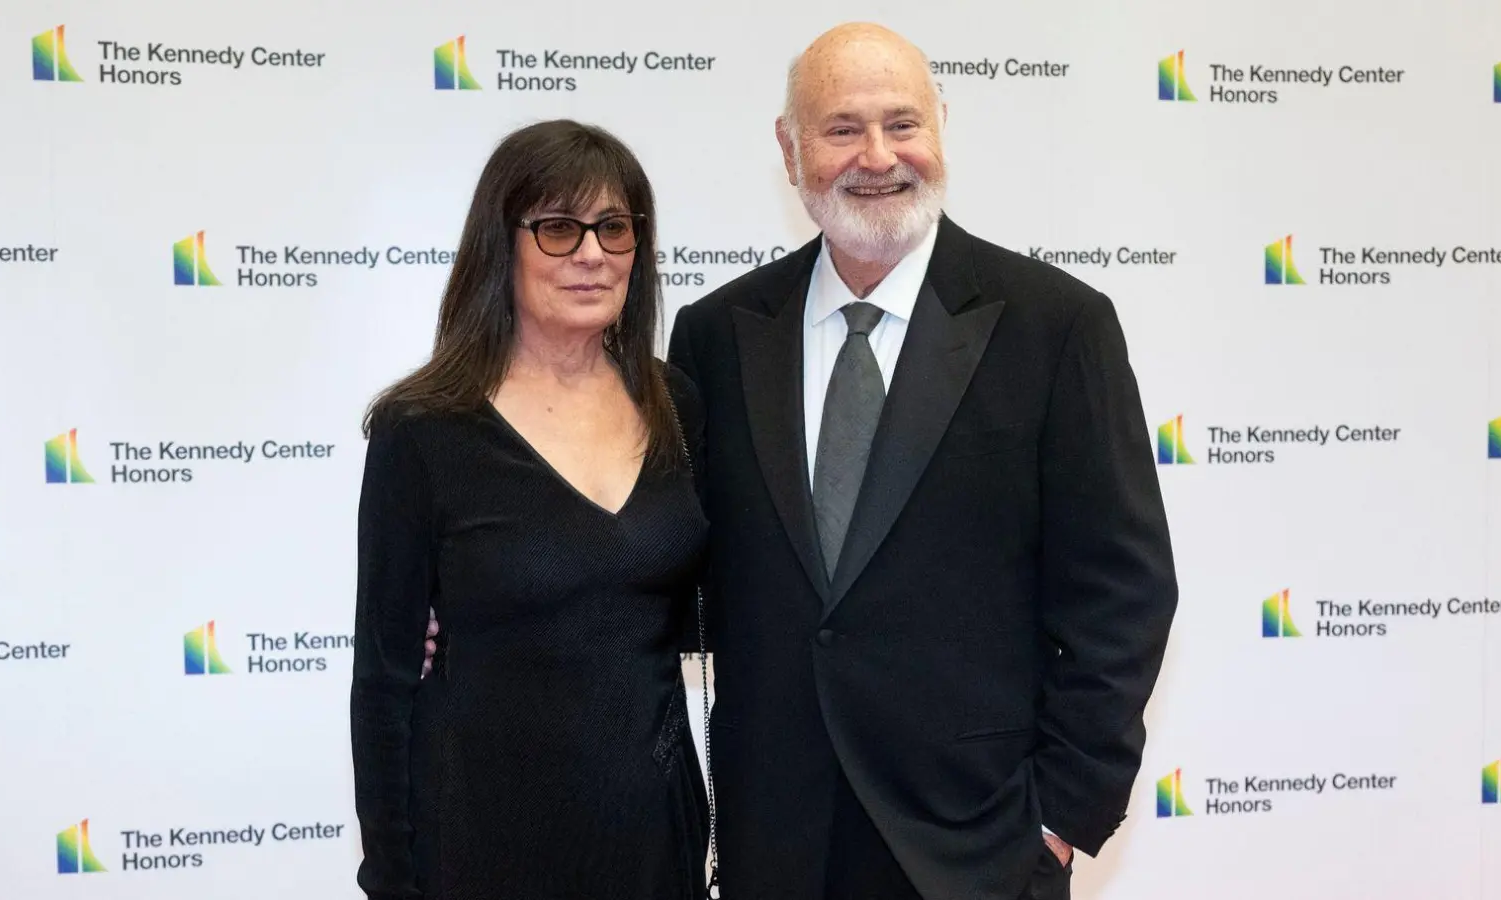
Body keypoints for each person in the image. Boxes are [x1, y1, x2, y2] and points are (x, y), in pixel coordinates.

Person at [665, 23, 1180, 900]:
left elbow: (1122, 594)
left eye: (903, 124)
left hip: (976, 850)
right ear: (789, 149)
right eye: (841, 129)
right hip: (773, 843)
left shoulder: (1056, 327)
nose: (878, 156)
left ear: (941, 127)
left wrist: (1057, 822)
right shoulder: (716, 336)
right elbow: (682, 566)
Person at [350, 119, 708, 900]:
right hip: (482, 838)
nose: (591, 253)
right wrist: (391, 876)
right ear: (500, 243)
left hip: (655, 835)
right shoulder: (424, 428)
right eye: (557, 228)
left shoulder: (674, 401)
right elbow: (382, 681)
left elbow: (679, 600)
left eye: (614, 228)